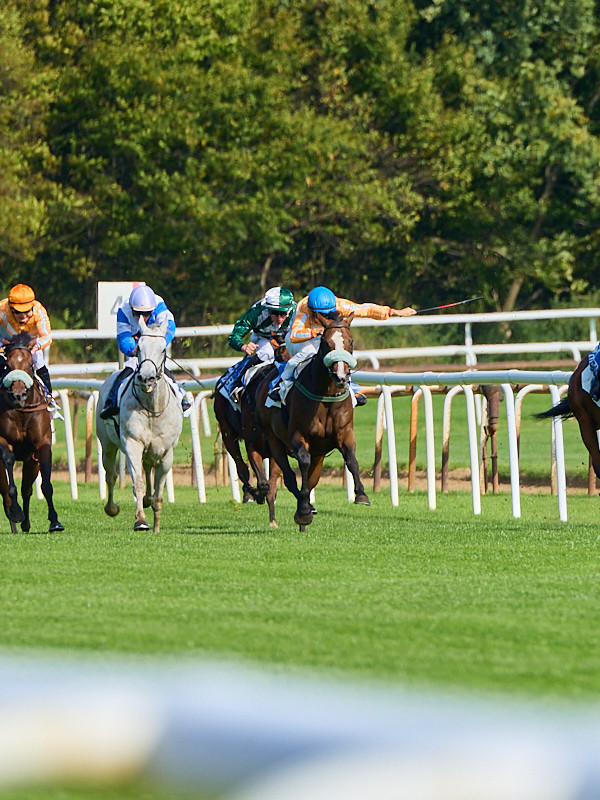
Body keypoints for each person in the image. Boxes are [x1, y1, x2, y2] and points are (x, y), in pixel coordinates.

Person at [267, 286, 417, 405]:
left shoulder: (339, 305)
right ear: (313, 311)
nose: (326, 317)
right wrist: (314, 332)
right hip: (298, 340)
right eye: (322, 315)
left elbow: (366, 309)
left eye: (328, 314)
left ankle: (351, 389)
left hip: (322, 337)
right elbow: (294, 335)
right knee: (310, 350)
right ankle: (281, 385)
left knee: (339, 348)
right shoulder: (303, 309)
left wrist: (394, 311)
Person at [99, 284, 191, 419]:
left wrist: (158, 345)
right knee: (127, 371)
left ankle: (180, 398)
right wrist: (133, 350)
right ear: (131, 309)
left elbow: (170, 326)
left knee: (165, 372)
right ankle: (110, 402)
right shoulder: (123, 311)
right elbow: (124, 338)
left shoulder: (159, 304)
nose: (143, 317)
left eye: (147, 313)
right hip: (137, 349)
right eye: (138, 313)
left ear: (152, 309)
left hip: (154, 349)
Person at [221, 287, 296, 402]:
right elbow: (234, 336)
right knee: (266, 353)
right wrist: (244, 346)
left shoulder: (296, 311)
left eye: (283, 313)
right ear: (268, 309)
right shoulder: (256, 312)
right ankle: (236, 384)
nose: (280, 319)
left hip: (287, 339)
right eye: (275, 313)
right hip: (263, 337)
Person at [0, 284, 61, 417]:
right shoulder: (1, 310)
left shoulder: (39, 311)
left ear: (32, 306)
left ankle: (49, 398)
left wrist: (36, 347)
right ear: (10, 308)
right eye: (17, 312)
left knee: (39, 361)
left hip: (30, 344)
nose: (23, 316)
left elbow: (47, 336)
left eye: (27, 311)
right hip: (6, 343)